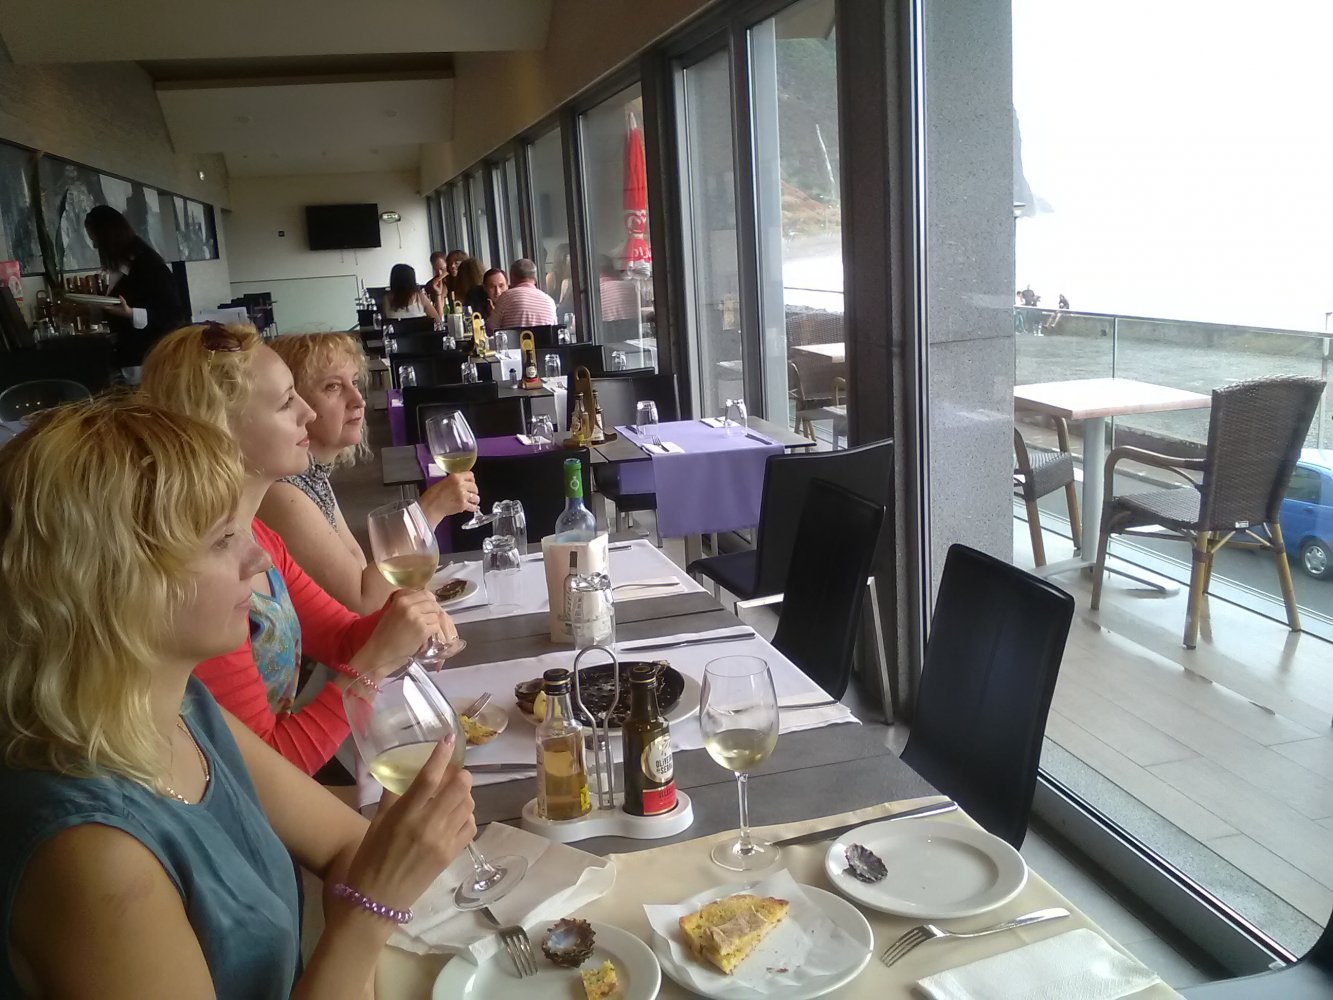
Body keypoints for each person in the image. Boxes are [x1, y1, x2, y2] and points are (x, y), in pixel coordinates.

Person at [0, 396, 475, 998]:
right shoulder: (89, 855)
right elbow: (365, 879)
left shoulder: (182, 708)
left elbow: (346, 843)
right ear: (115, 583)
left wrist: (372, 898)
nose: (258, 556)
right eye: (223, 539)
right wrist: (370, 911)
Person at [141, 323, 459, 775]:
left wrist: (405, 621)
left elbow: (341, 637)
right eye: (286, 401)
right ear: (221, 429)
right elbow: (271, 768)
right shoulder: (195, 579)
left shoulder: (257, 535)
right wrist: (373, 664)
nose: (307, 413)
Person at [262, 333, 480, 615]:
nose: (358, 400)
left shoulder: (312, 475)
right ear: (294, 404)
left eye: (354, 383)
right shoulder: (281, 491)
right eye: (332, 387)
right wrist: (426, 513)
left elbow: (360, 569)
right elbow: (363, 602)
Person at [81, 205, 185, 375]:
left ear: (109, 237)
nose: (95, 246)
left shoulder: (149, 265)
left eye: (96, 241)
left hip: (151, 357)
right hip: (130, 356)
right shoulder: (121, 266)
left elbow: (173, 315)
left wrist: (130, 313)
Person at [488, 257, 558, 332]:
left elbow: (491, 329)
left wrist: (492, 314)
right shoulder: (550, 301)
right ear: (535, 279)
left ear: (512, 278)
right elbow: (555, 331)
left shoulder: (506, 297)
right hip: (544, 339)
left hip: (516, 340)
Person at [424, 250, 449, 315]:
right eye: (436, 270)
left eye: (442, 268)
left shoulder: (454, 281)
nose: (440, 273)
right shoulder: (430, 285)